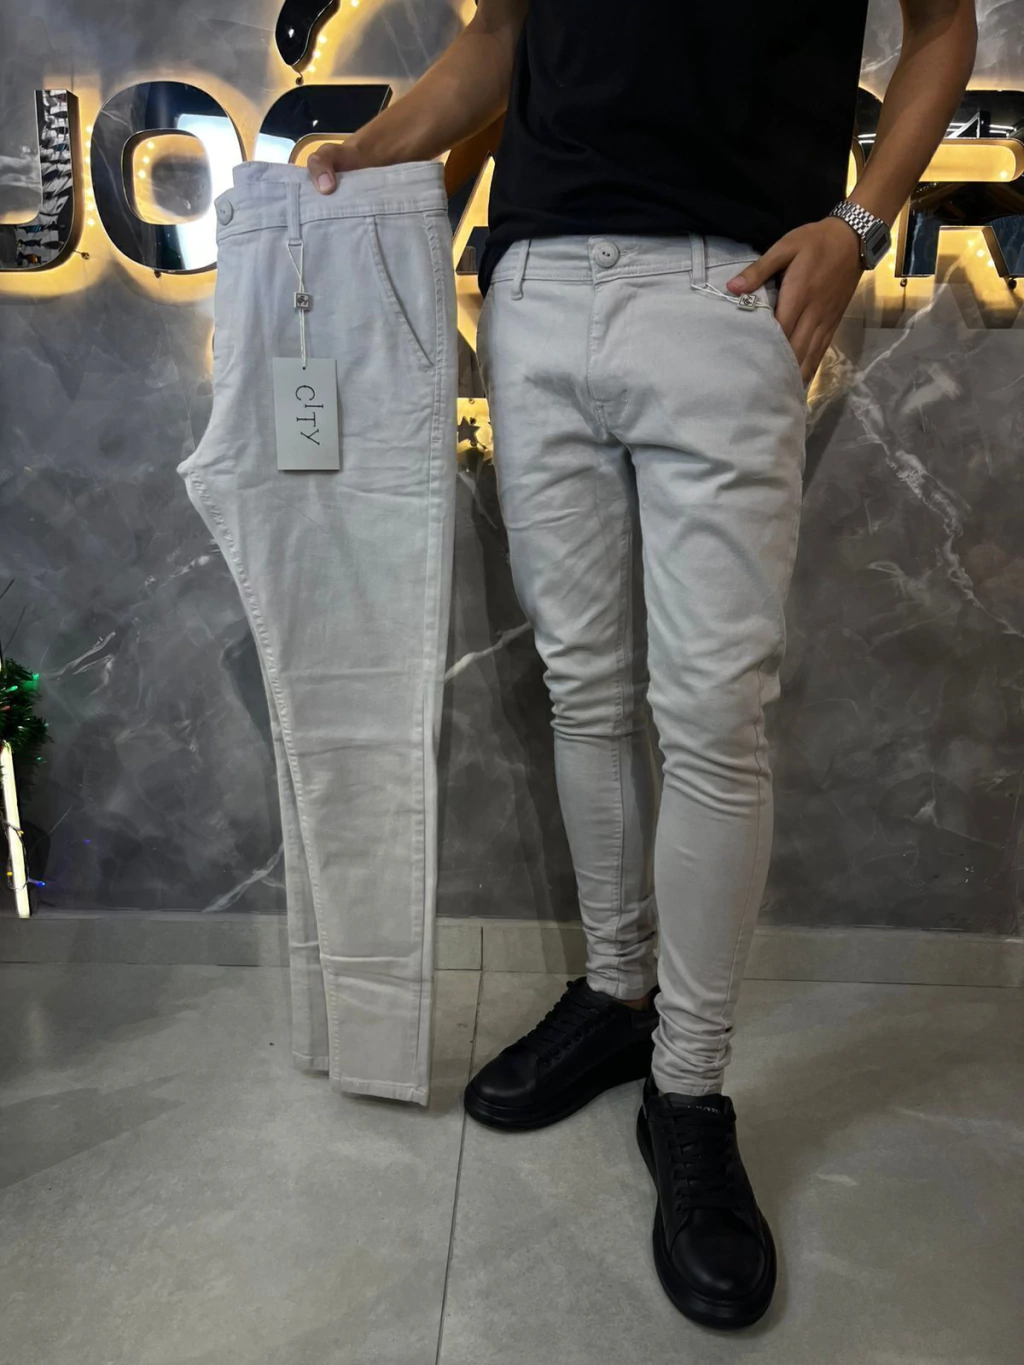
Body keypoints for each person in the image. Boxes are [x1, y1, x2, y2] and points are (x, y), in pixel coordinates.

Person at [308, 0, 977, 1329]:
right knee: (586, 690)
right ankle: (618, 996)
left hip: (728, 290)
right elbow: (500, 38)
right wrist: (367, 150)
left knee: (716, 718)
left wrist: (858, 224)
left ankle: (690, 1088)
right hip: (536, 289)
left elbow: (942, 23)